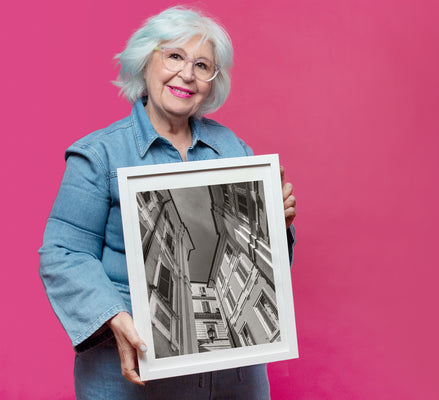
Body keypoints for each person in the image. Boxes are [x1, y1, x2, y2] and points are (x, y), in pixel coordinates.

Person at [38, 6, 297, 399]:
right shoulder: (99, 155)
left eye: (202, 65)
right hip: (129, 372)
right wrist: (112, 315)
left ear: (213, 81)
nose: (187, 74)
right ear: (145, 62)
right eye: (174, 56)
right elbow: (63, 252)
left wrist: (275, 228)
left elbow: (264, 270)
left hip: (233, 380)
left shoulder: (235, 151)